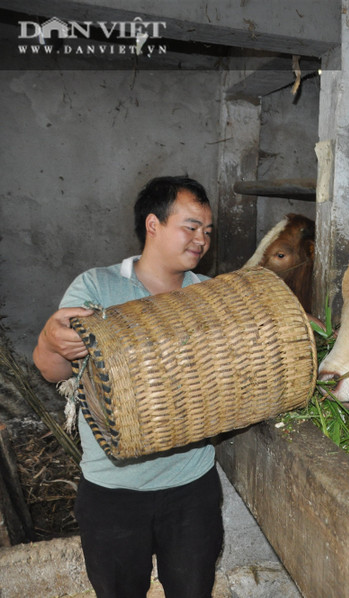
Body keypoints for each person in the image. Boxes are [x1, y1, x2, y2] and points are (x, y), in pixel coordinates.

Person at [33, 176, 223, 598]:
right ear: (153, 225)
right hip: (113, 490)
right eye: (190, 227)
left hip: (192, 486)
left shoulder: (210, 296)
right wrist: (50, 340)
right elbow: (52, 372)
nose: (201, 240)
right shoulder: (98, 288)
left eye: (207, 231)